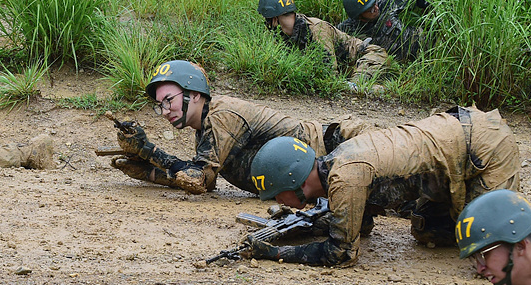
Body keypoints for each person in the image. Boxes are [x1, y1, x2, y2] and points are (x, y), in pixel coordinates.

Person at [244, 116, 531, 269]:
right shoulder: (338, 164)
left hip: (482, 152)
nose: (280, 204)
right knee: (429, 233)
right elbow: (359, 224)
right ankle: (524, 213)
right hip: (455, 160)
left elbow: (341, 253)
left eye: (279, 196)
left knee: (495, 254)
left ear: (295, 184)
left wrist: (276, 252)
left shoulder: (345, 175)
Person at [111, 59, 373, 195]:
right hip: (324, 168)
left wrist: (149, 152)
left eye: (169, 100)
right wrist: (150, 173)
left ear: (196, 95)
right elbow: (207, 181)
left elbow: (197, 179)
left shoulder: (220, 117)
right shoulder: (205, 127)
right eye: (160, 105)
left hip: (341, 148)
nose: (165, 110)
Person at [257, 0, 389, 90]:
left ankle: (383, 90)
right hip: (348, 67)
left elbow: (328, 73)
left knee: (350, 89)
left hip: (370, 55)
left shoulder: (317, 29)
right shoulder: (285, 34)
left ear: (274, 19)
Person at [337, 0, 430, 62]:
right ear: (359, 16)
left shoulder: (385, 5)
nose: (376, 8)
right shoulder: (347, 30)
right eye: (371, 9)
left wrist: (428, 5)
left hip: (424, 45)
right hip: (394, 66)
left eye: (375, 3)